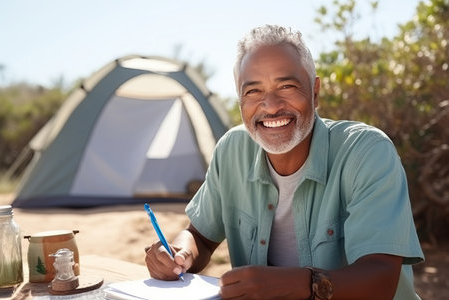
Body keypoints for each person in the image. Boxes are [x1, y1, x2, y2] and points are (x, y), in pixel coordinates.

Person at [145, 24, 424, 300]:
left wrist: (301, 284)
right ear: (240, 101)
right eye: (253, 91)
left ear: (314, 92)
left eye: (287, 86)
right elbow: (201, 237)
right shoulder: (232, 150)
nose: (271, 105)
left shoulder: (366, 152)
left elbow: (381, 279)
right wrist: (179, 253)